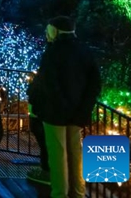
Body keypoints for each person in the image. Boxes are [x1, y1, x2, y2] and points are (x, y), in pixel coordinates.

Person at [31, 16, 100, 198]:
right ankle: (78, 192)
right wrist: (84, 107)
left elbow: (49, 84)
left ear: (54, 31)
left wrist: (42, 106)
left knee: (57, 155)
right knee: (76, 153)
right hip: (78, 112)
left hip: (55, 113)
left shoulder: (52, 53)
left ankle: (59, 193)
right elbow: (95, 83)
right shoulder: (85, 50)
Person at [26, 69, 51, 186]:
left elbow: (30, 93)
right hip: (44, 117)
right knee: (47, 145)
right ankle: (48, 169)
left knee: (44, 145)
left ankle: (46, 169)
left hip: (37, 117)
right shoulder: (50, 83)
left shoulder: (37, 84)